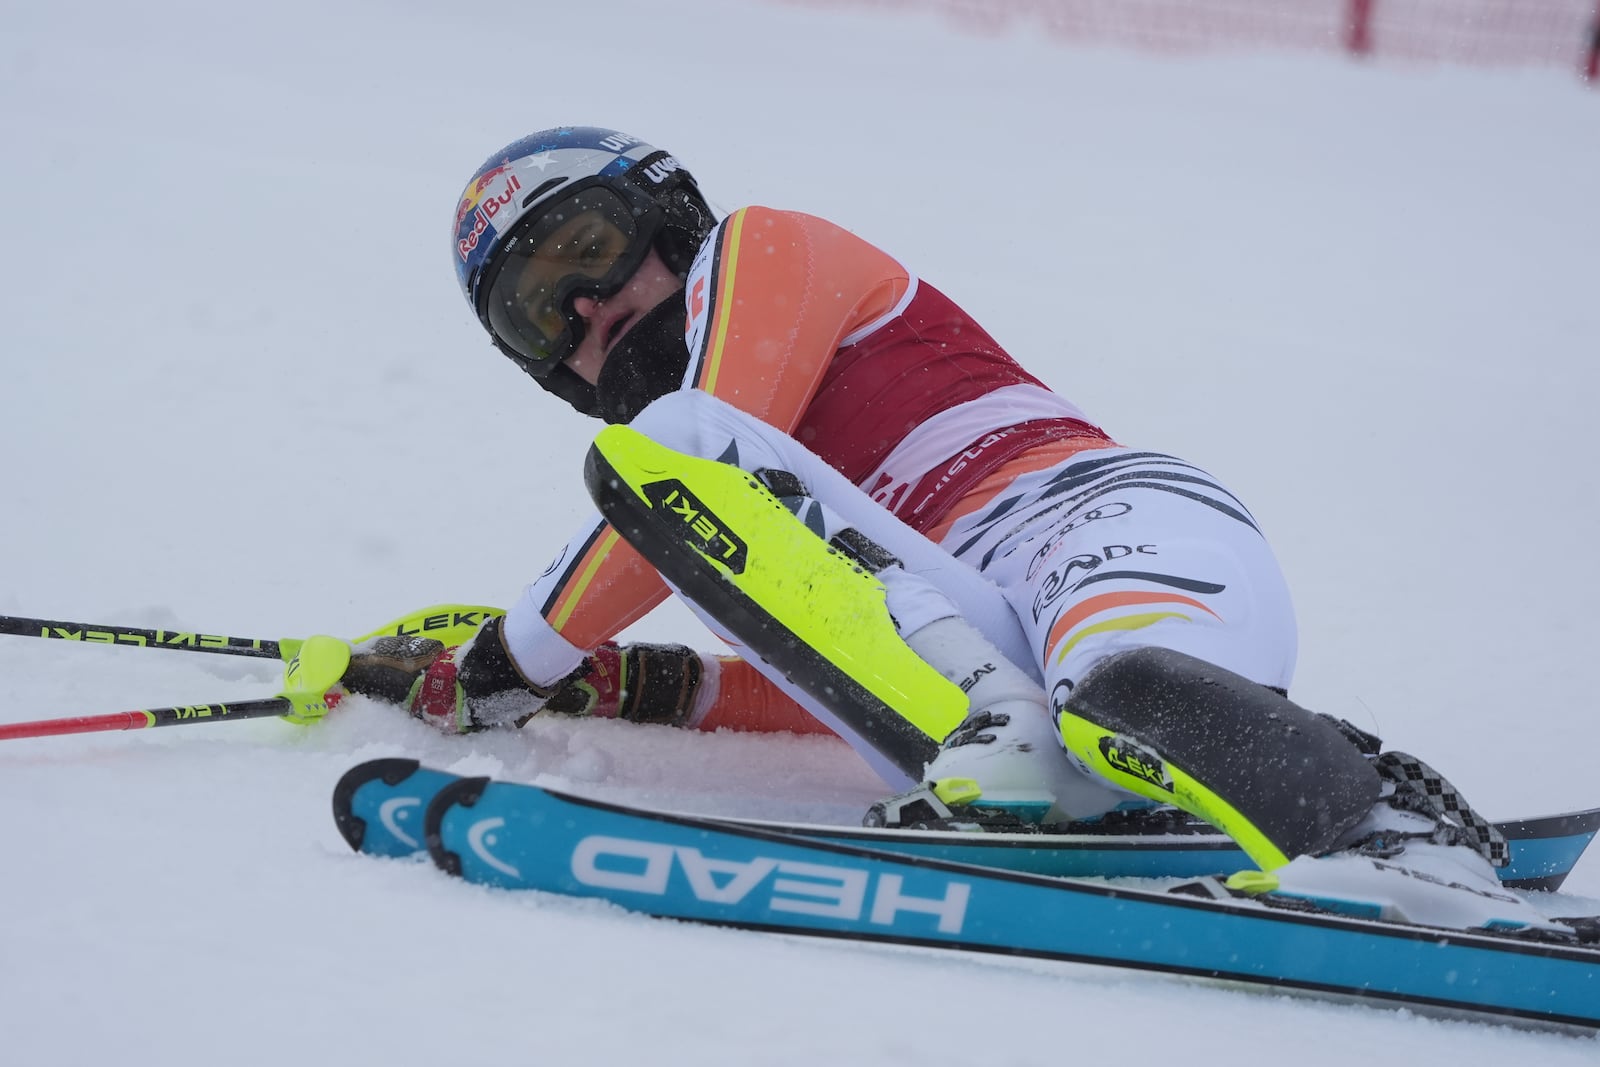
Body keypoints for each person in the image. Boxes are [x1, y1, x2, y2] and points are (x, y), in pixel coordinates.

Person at [343, 126, 1568, 937]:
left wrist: (503, 663)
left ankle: (1398, 843)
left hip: (1086, 518)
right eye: (534, 313)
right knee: (684, 493)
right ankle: (1034, 764)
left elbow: (705, 431)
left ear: (661, 212)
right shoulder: (707, 504)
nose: (586, 305)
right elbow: (849, 652)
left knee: (1106, 678)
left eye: (587, 249)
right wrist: (631, 680)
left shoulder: (765, 249)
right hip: (969, 671)